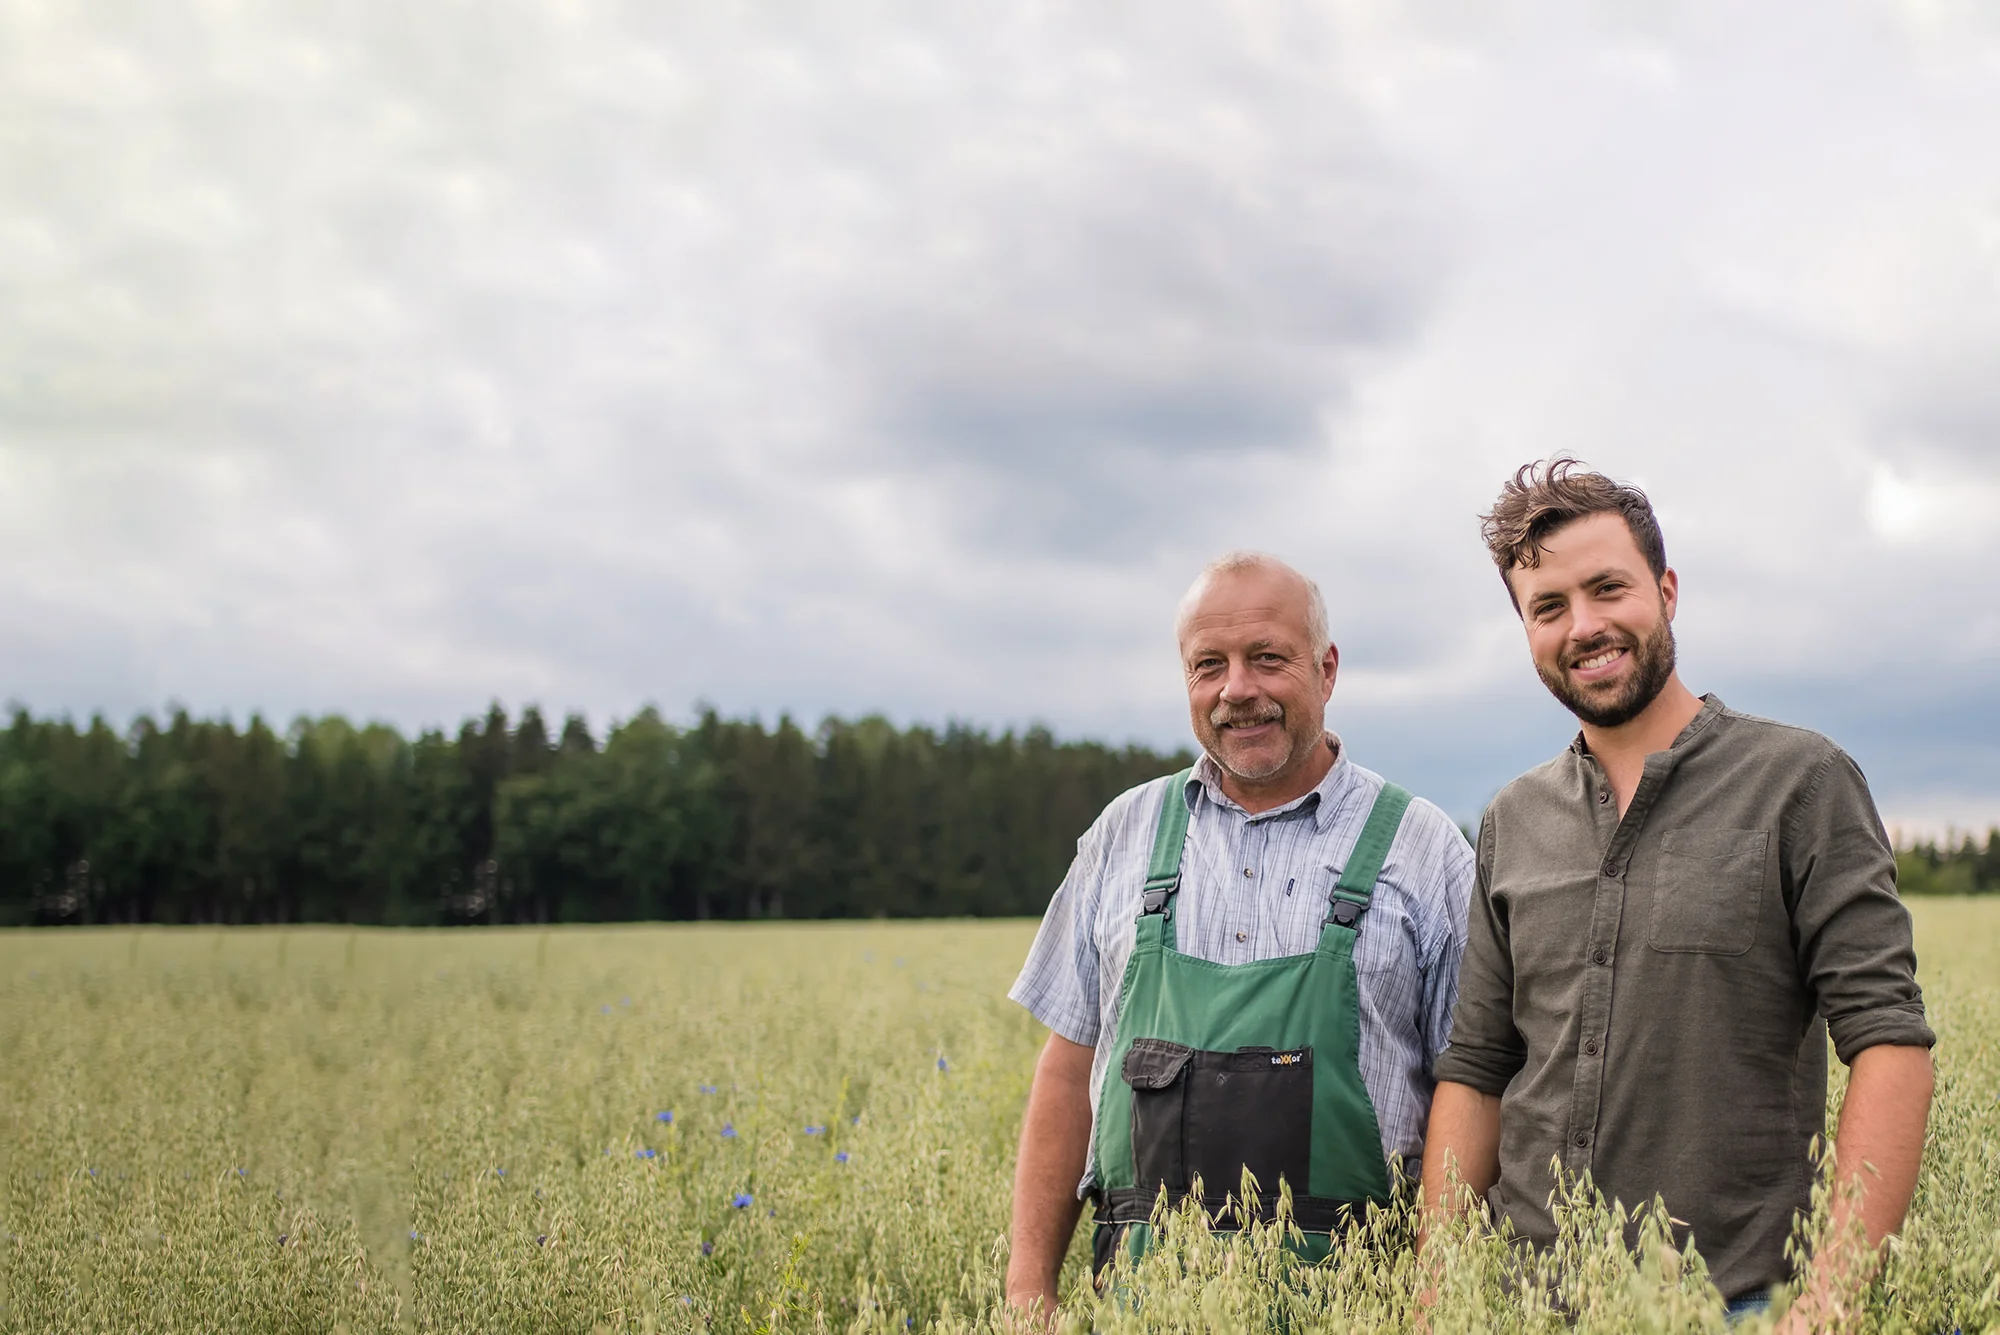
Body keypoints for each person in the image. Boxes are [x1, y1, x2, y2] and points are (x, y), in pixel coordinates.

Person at [1422, 460, 1935, 1323]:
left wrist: (1829, 1303)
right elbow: (1476, 1074)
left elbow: (1891, 1046)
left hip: (1730, 1302)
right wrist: (1440, 1298)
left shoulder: (1801, 782)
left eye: (1607, 588)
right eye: (1549, 607)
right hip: (1523, 1305)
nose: (1584, 626)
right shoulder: (1512, 818)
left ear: (1665, 591)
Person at [1004, 551, 1475, 1319]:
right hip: (1145, 1308)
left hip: (1358, 1312)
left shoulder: (1424, 849)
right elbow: (1067, 1073)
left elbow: (1473, 1086)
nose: (1237, 689)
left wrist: (1437, 1302)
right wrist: (1029, 1293)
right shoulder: (1124, 834)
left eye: (1267, 658)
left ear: (1326, 669)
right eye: (1209, 665)